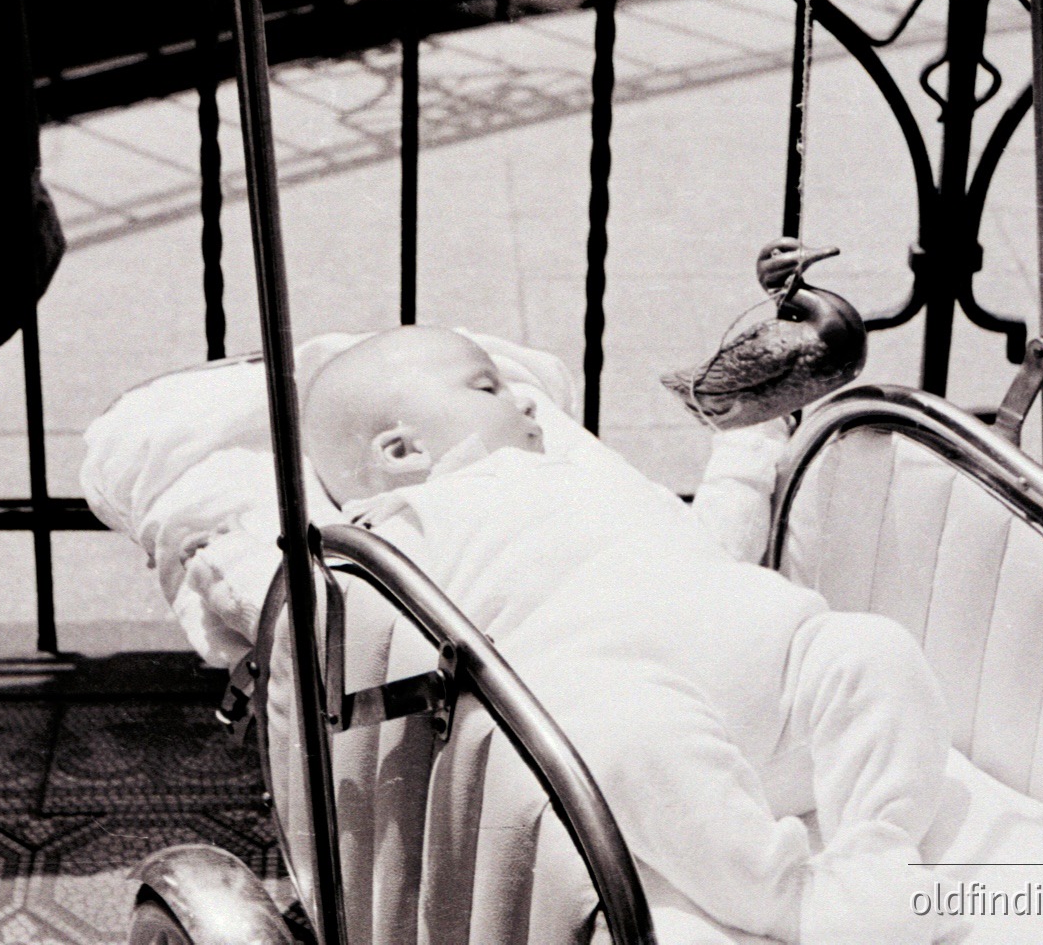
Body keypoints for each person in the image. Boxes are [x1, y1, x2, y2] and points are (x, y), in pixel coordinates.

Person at [302, 325, 952, 945]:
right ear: (401, 451)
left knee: (871, 649)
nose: (526, 397)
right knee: (617, 726)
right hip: (644, 723)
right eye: (487, 388)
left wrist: (746, 447)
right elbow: (342, 617)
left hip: (785, 681)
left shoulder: (590, 474)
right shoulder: (402, 525)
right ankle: (790, 897)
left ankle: (876, 844)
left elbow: (714, 536)